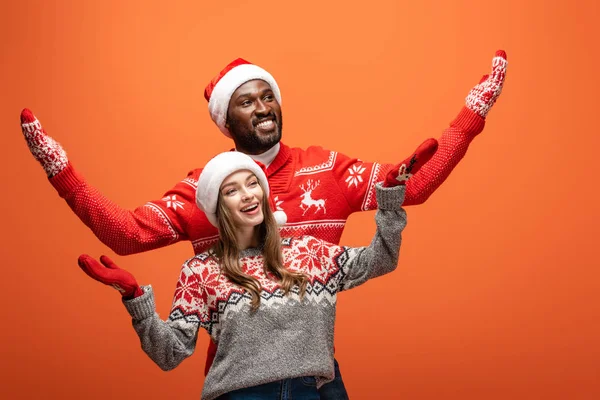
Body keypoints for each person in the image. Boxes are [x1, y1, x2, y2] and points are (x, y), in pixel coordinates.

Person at [19, 50, 507, 398]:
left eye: (268, 96)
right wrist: (60, 169)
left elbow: (409, 187)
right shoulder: (202, 190)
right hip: (238, 379)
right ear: (225, 121)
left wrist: (469, 117)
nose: (264, 108)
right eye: (247, 102)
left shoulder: (326, 169)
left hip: (314, 374)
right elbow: (126, 233)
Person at [77, 140, 436, 399]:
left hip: (318, 390)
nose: (247, 195)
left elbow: (382, 259)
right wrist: (135, 298)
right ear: (218, 209)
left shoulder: (311, 252)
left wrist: (389, 198)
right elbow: (169, 354)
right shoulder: (201, 272)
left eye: (252, 184)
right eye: (232, 191)